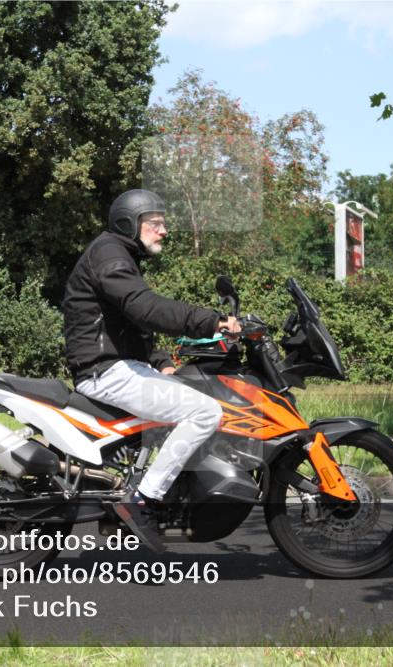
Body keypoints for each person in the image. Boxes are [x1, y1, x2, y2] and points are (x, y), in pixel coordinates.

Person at [62, 189, 240, 552]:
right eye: (155, 223)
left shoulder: (117, 255)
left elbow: (130, 321)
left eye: (163, 223)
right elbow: (144, 308)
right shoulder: (109, 254)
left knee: (194, 396)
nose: (164, 231)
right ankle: (142, 500)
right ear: (130, 224)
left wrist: (161, 362)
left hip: (116, 366)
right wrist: (212, 321)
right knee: (205, 412)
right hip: (105, 372)